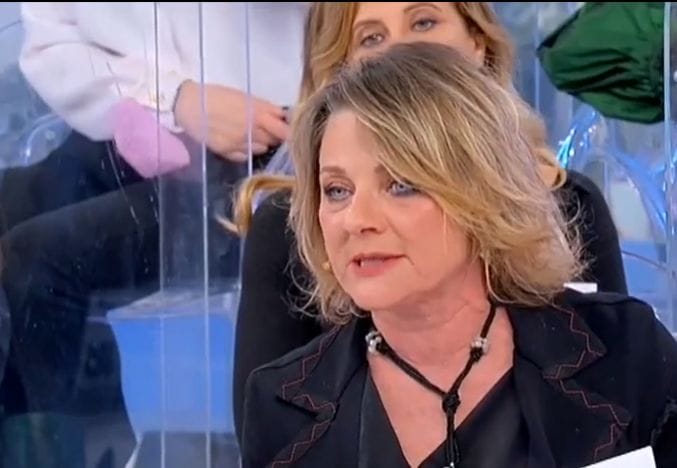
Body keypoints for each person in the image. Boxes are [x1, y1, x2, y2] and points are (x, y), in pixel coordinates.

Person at [237, 41, 677, 468]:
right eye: (337, 190)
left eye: (400, 185)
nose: (356, 220)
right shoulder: (282, 408)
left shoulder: (625, 352)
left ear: (480, 194)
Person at [0, 3, 306, 466]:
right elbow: (49, 44)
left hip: (259, 141)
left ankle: (66, 454)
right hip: (124, 122)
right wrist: (174, 98)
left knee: (37, 259)